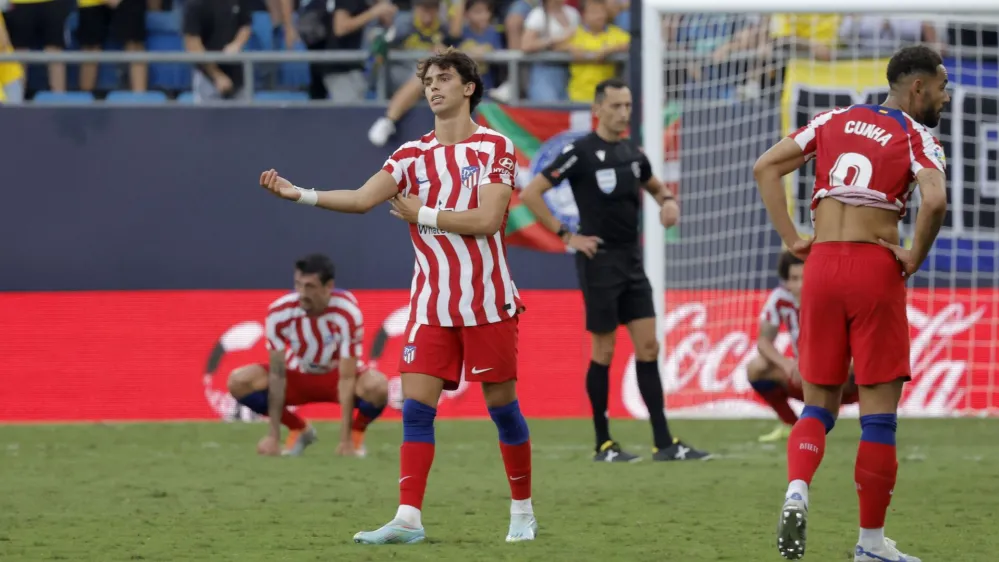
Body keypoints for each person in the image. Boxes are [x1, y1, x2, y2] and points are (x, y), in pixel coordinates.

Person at [257, 48, 537, 545]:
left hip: (487, 302)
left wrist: (422, 214)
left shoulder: (495, 147)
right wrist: (300, 194)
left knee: (502, 409)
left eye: (445, 78)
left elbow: (488, 220)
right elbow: (365, 199)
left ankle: (521, 512)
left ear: (468, 87)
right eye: (428, 79)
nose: (434, 87)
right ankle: (408, 518)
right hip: (430, 305)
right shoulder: (411, 155)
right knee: (415, 409)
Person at [753, 44, 949, 562]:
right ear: (918, 88)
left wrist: (793, 238)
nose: (945, 98)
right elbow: (935, 200)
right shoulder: (918, 136)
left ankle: (797, 488)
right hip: (873, 266)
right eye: (942, 88)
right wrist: (913, 256)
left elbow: (765, 168)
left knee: (817, 403)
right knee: (879, 418)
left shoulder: (831, 119)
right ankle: (870, 545)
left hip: (819, 267)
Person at [521, 78, 710, 463]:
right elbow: (530, 193)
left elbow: (657, 188)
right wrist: (566, 235)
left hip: (631, 261)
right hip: (599, 261)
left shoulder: (632, 153)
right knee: (604, 350)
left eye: (627, 105)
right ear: (598, 109)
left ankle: (664, 443)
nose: (623, 113)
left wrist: (669, 202)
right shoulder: (580, 152)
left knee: (649, 346)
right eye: (616, 106)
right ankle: (604, 443)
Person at [227, 254, 389, 457]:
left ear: (328, 286)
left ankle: (355, 436)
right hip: (297, 376)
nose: (302, 293)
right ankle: (299, 429)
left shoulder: (347, 311)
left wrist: (345, 440)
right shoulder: (279, 312)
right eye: (298, 285)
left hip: (337, 376)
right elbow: (277, 375)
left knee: (378, 387)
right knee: (238, 381)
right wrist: (273, 435)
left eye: (310, 287)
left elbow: (347, 377)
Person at [749, 250, 858, 443]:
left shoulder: (834, 295)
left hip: (841, 380)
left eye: (805, 277)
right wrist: (787, 365)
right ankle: (792, 426)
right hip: (805, 379)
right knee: (756, 368)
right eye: (794, 278)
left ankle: (875, 425)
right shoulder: (780, 298)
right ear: (786, 281)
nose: (800, 285)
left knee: (863, 364)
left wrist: (816, 364)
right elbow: (763, 342)